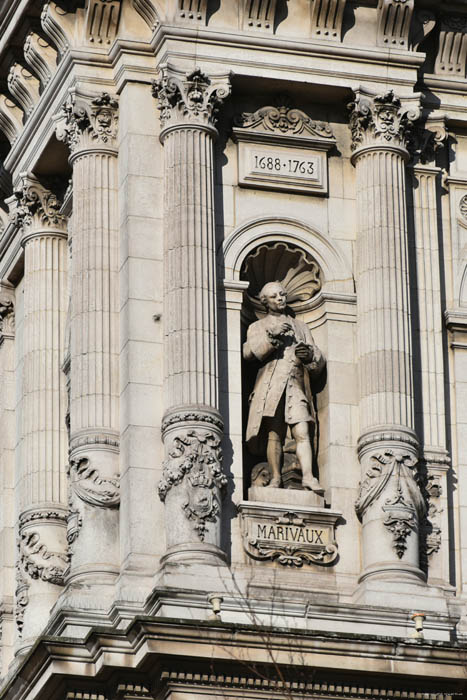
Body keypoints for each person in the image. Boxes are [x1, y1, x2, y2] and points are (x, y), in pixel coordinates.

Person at [243, 281, 325, 492]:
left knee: (302, 430)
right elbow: (248, 353)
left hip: (296, 386)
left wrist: (309, 356)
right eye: (274, 296)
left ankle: (308, 476)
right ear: (265, 301)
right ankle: (276, 478)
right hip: (270, 388)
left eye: (282, 294)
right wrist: (272, 336)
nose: (280, 298)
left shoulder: (301, 326)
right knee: (274, 434)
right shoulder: (257, 326)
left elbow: (317, 357)